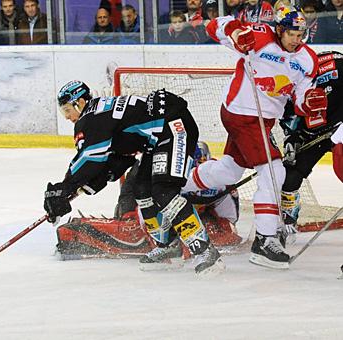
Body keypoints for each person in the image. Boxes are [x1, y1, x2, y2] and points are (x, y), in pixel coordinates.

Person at [186, 6, 326, 269]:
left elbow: (300, 100)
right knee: (274, 171)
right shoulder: (260, 36)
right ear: (280, 30)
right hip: (241, 113)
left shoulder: (308, 59)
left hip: (263, 120)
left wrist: (310, 102)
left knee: (229, 171)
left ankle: (179, 188)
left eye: (301, 34)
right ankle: (264, 239)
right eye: (293, 34)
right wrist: (237, 32)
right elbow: (214, 25)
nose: (298, 39)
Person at [43, 80, 225, 274]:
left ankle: (206, 251)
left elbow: (90, 158)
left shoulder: (91, 118)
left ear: (79, 102)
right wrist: (77, 187)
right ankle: (168, 247)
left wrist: (63, 189)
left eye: (67, 109)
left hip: (173, 127)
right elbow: (112, 160)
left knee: (164, 191)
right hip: (157, 138)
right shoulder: (98, 112)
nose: (67, 116)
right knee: (142, 190)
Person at [279, 51, 343, 242]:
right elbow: (287, 118)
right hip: (312, 134)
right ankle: (287, 222)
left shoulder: (337, 67)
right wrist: (292, 139)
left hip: (340, 128)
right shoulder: (285, 82)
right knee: (290, 174)